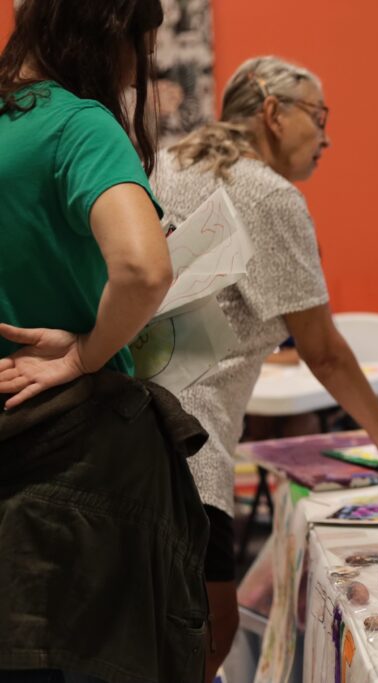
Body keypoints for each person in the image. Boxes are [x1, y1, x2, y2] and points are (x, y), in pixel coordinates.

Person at [150, 56, 378, 679]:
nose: (326, 136)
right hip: (187, 443)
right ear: (273, 113)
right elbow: (322, 347)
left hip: (126, 422)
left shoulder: (167, 162)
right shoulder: (267, 192)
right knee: (209, 626)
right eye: (319, 115)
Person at [0, 1, 211, 682]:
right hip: (84, 465)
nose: (138, 69)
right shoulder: (78, 124)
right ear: (103, 35)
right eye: (140, 49)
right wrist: (85, 352)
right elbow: (144, 267)